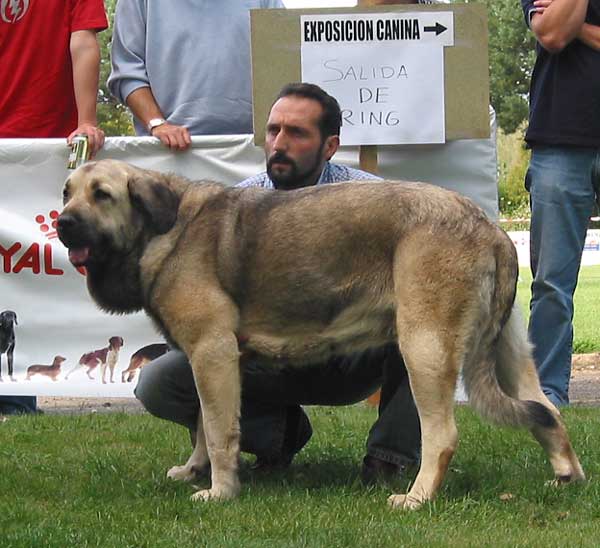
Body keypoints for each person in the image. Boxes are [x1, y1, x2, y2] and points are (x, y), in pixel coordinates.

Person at [135, 83, 421, 481]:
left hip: (352, 353)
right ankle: (277, 435)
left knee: (419, 319)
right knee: (159, 382)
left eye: (297, 133)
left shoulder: (373, 200)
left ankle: (390, 459)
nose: (279, 143)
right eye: (273, 131)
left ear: (330, 146)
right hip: (265, 360)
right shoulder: (234, 205)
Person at [0, 0, 107, 415]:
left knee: (31, 270)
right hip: (35, 148)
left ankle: (20, 393)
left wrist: (86, 120)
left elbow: (83, 42)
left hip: (49, 152)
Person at [521, 0, 600, 406]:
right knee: (552, 282)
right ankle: (546, 394)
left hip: (563, 144)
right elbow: (552, 35)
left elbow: (561, 28)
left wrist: (577, 26)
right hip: (559, 139)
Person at [107, 0, 284, 151]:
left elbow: (285, 59)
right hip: (170, 151)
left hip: (253, 150)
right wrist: (157, 124)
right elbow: (127, 71)